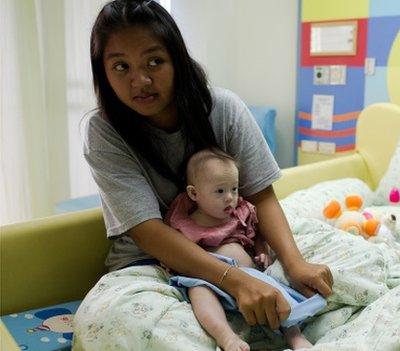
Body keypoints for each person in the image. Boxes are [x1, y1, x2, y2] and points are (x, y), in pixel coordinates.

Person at [75, 0, 333, 348]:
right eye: (121, 66)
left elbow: (262, 195)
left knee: (327, 285)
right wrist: (234, 280)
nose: (141, 80)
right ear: (103, 74)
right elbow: (148, 232)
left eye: (155, 61)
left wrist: (295, 263)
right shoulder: (104, 130)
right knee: (117, 320)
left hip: (235, 244)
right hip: (151, 263)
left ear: (177, 60)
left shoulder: (223, 109)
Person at [166, 148, 321, 350]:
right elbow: (177, 253)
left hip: (251, 278)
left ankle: (294, 336)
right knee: (198, 290)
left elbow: (257, 234)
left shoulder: (241, 212)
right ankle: (226, 337)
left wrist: (261, 251)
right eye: (220, 191)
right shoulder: (185, 223)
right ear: (194, 193)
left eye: (234, 189)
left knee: (276, 292)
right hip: (210, 278)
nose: (230, 197)